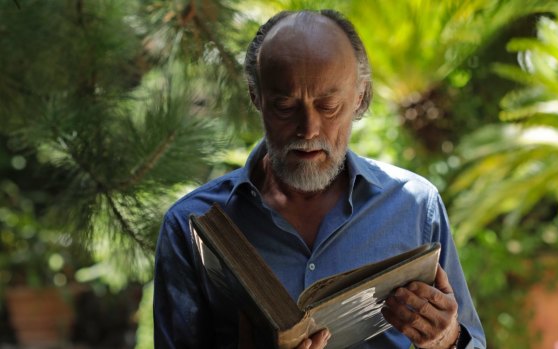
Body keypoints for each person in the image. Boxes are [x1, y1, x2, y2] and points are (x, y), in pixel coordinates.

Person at [154, 9, 486, 349]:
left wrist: (449, 339)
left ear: (358, 97)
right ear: (257, 97)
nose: (308, 129)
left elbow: (471, 343)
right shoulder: (191, 225)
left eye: (328, 106)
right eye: (285, 106)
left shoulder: (415, 206)